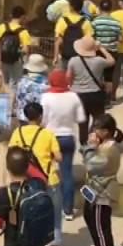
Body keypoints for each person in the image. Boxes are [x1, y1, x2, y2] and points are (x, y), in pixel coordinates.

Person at [10, 102, 66, 246]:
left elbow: (11, 154)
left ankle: (28, 245)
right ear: (40, 116)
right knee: (55, 214)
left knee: (27, 213)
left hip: (26, 181)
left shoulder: (17, 133)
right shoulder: (47, 134)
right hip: (48, 179)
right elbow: (59, 157)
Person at [81, 114, 123, 246]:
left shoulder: (109, 149)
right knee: (88, 216)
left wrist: (91, 147)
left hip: (103, 193)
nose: (94, 131)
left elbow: (91, 165)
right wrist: (92, 146)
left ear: (106, 131)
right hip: (93, 190)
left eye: (97, 128)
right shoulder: (103, 144)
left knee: (101, 227)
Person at [40, 69, 84, 221]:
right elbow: (81, 118)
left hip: (49, 137)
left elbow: (42, 120)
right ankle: (68, 210)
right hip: (68, 137)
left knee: (45, 172)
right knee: (67, 175)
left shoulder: (45, 97)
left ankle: (45, 205)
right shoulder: (73, 96)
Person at [67, 36, 113, 144]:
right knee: (98, 120)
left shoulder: (73, 60)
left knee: (83, 121)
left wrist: (71, 85)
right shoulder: (99, 61)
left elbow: (69, 76)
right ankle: (95, 138)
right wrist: (101, 48)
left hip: (78, 94)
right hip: (95, 93)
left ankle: (84, 143)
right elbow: (111, 61)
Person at [0, 6, 31, 91]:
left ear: (11, 15)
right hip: (16, 61)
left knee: (3, 82)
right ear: (22, 17)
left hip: (2, 59)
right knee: (14, 84)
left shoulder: (2, 27)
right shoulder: (23, 32)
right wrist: (16, 50)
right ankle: (12, 98)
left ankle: (2, 97)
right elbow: (25, 50)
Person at [14, 55, 50, 124]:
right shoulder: (46, 83)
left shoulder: (22, 80)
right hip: (38, 118)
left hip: (23, 115)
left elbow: (18, 97)